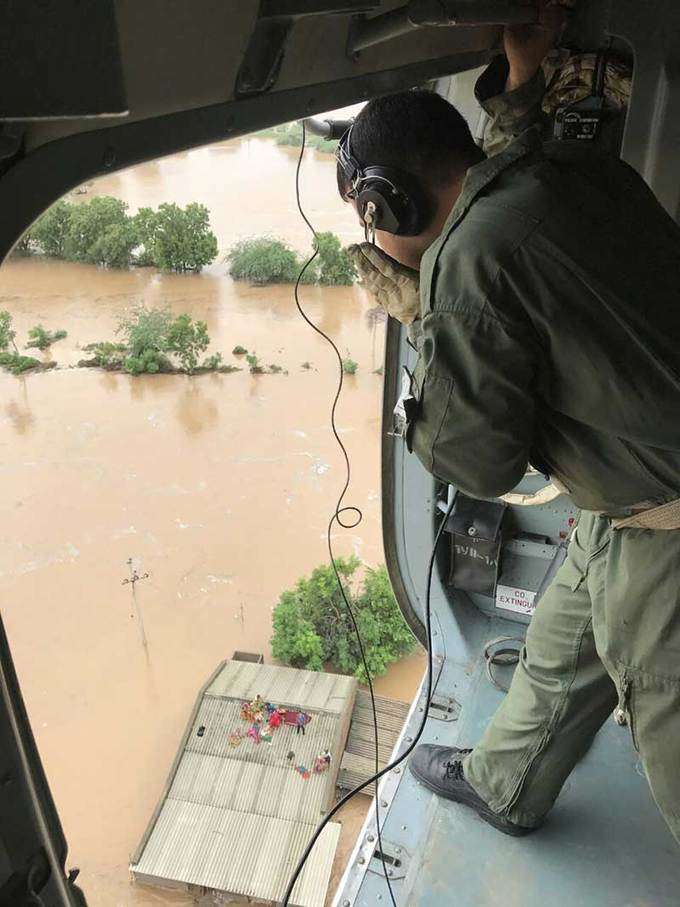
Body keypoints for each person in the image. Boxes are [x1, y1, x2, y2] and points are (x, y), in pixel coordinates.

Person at [335, 2, 680, 844]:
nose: (371, 234)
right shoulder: (562, 168)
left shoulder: (470, 267)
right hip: (631, 490)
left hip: (666, 528)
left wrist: (424, 322)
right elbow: (513, 154)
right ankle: (506, 783)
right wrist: (522, 78)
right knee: (564, 637)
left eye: (368, 213)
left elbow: (476, 459)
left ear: (393, 203)